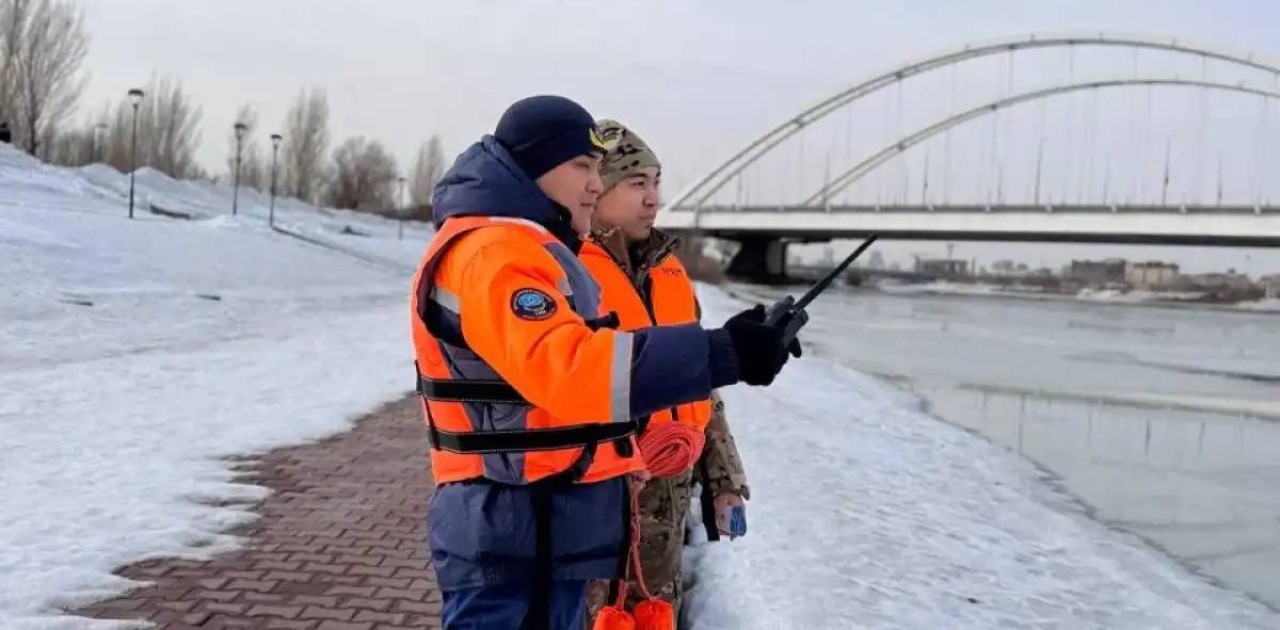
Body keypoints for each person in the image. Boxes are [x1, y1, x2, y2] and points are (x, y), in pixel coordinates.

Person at [411, 94, 800, 630]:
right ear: (533, 165)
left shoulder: (534, 248)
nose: (594, 183)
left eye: (599, 169)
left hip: (548, 525)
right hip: (512, 527)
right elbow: (575, 370)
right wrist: (724, 351)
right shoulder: (496, 253)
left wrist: (715, 472)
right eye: (582, 167)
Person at [579, 120, 751, 625]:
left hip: (669, 511)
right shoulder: (569, 274)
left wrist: (725, 481)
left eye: (656, 182)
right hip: (599, 511)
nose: (653, 198)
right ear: (601, 187)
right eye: (637, 184)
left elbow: (701, 385)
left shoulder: (669, 273)